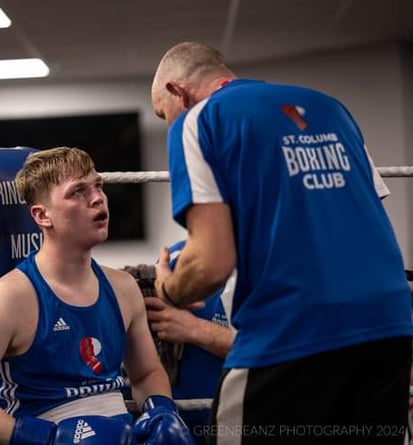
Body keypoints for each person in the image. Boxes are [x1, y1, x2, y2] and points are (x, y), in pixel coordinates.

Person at [150, 41, 413, 444]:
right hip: (389, 324)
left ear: (176, 92)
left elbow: (209, 264)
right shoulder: (330, 108)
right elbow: (368, 217)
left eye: (163, 114)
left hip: (293, 332)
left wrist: (167, 286)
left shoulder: (199, 121)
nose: (169, 124)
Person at [0, 147, 193, 444]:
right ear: (42, 215)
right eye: (78, 191)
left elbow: (146, 373)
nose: (98, 197)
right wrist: (48, 438)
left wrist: (160, 410)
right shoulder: (8, 298)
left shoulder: (123, 288)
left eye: (98, 185)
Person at [143, 240, 235, 445]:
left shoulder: (270, 263)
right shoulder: (173, 259)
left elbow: (283, 349)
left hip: (248, 419)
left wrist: (194, 329)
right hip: (181, 426)